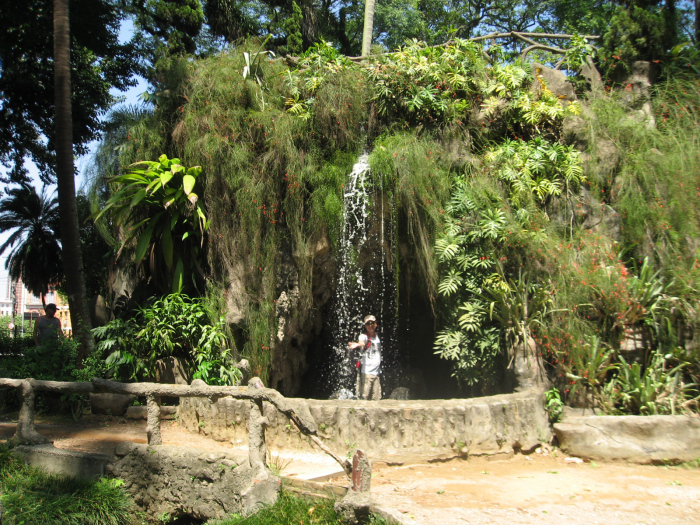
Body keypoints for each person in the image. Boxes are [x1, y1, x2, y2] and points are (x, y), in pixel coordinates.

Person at [348, 314, 382, 400]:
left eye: (372, 323)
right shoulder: (364, 336)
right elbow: (362, 342)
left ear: (376, 324)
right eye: (368, 324)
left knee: (376, 399)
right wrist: (358, 344)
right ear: (365, 325)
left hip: (376, 374)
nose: (370, 326)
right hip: (366, 373)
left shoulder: (378, 337)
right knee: (364, 398)